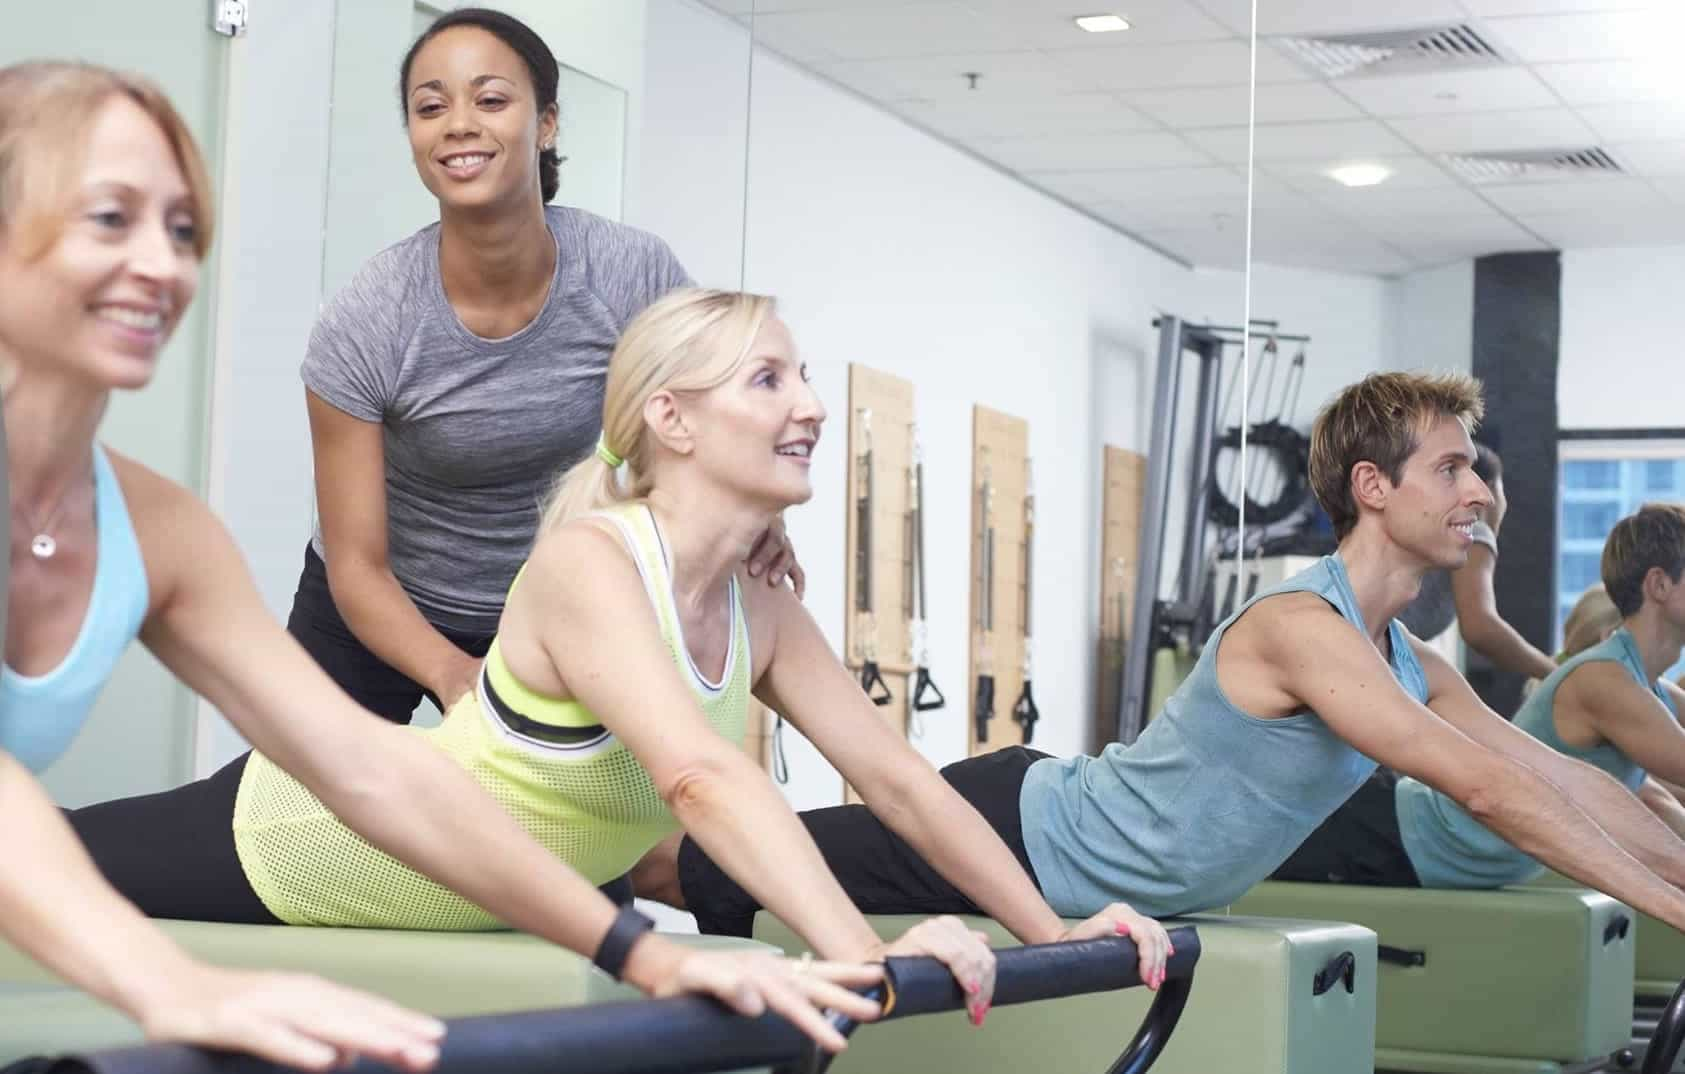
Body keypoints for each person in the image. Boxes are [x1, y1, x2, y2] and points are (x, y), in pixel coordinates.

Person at [0, 59, 877, 1064]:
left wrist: (642, 953)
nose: (160, 263)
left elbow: (368, 766)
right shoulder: (375, 320)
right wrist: (172, 984)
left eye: (183, 227)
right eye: (111, 220)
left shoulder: (161, 529)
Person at [66, 287, 1173, 1025]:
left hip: (486, 894)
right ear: (672, 421)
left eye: (800, 378)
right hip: (309, 842)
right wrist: (855, 950)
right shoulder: (591, 564)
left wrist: (1050, 935)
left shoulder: (763, 611)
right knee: (47, 867)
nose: (811, 407)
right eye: (769, 381)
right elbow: (696, 774)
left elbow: (894, 781)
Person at [646, 371, 1685, 942]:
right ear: (1371, 487)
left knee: (736, 868)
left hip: (1070, 864)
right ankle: (553, 859)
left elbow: (1555, 775)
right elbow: (1484, 789)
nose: (1476, 491)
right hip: (1016, 832)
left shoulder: (1405, 654)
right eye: (1451, 466)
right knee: (715, 869)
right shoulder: (1300, 628)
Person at [292, 8, 797, 725]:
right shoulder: (368, 319)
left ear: (548, 123)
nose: (459, 124)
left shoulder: (628, 273)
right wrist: (451, 674)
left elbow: (718, 410)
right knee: (293, 818)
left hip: (558, 599)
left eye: (491, 99)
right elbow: (356, 566)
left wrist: (755, 512)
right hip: (379, 608)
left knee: (569, 828)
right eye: (430, 107)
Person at [1275, 503, 1685, 886]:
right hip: (1397, 833)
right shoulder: (1607, 680)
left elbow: (1657, 803)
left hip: (1426, 845)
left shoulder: (1650, 690)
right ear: (1659, 584)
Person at [1397, 443, 1556, 681]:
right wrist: (1555, 673)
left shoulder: (1429, 527)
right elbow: (1480, 628)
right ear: (1488, 489)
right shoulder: (1474, 530)